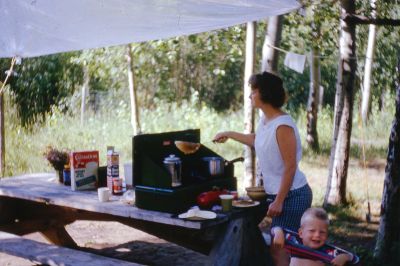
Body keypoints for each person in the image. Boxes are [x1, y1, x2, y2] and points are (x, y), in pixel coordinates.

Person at [213, 71, 312, 266]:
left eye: (254, 91)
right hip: (278, 194)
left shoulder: (283, 126)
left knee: (280, 248)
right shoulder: (266, 119)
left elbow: (290, 166)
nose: (250, 95)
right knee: (280, 248)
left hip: (293, 196)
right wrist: (229, 133)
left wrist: (279, 200)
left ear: (265, 94)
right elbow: (257, 140)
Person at [272, 207, 355, 266]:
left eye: (322, 232)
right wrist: (278, 233)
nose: (317, 235)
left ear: (327, 235)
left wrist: (345, 257)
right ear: (301, 233)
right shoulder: (295, 241)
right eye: (312, 231)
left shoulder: (327, 251)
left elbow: (354, 258)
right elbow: (276, 228)